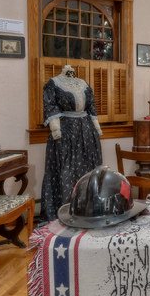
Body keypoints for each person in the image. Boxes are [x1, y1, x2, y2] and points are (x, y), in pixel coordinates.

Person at [40, 65, 103, 221]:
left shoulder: (84, 84)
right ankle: (65, 211)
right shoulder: (53, 84)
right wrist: (56, 131)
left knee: (89, 169)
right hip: (66, 132)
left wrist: (96, 128)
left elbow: (92, 107)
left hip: (87, 132)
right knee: (66, 170)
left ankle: (89, 210)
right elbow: (50, 107)